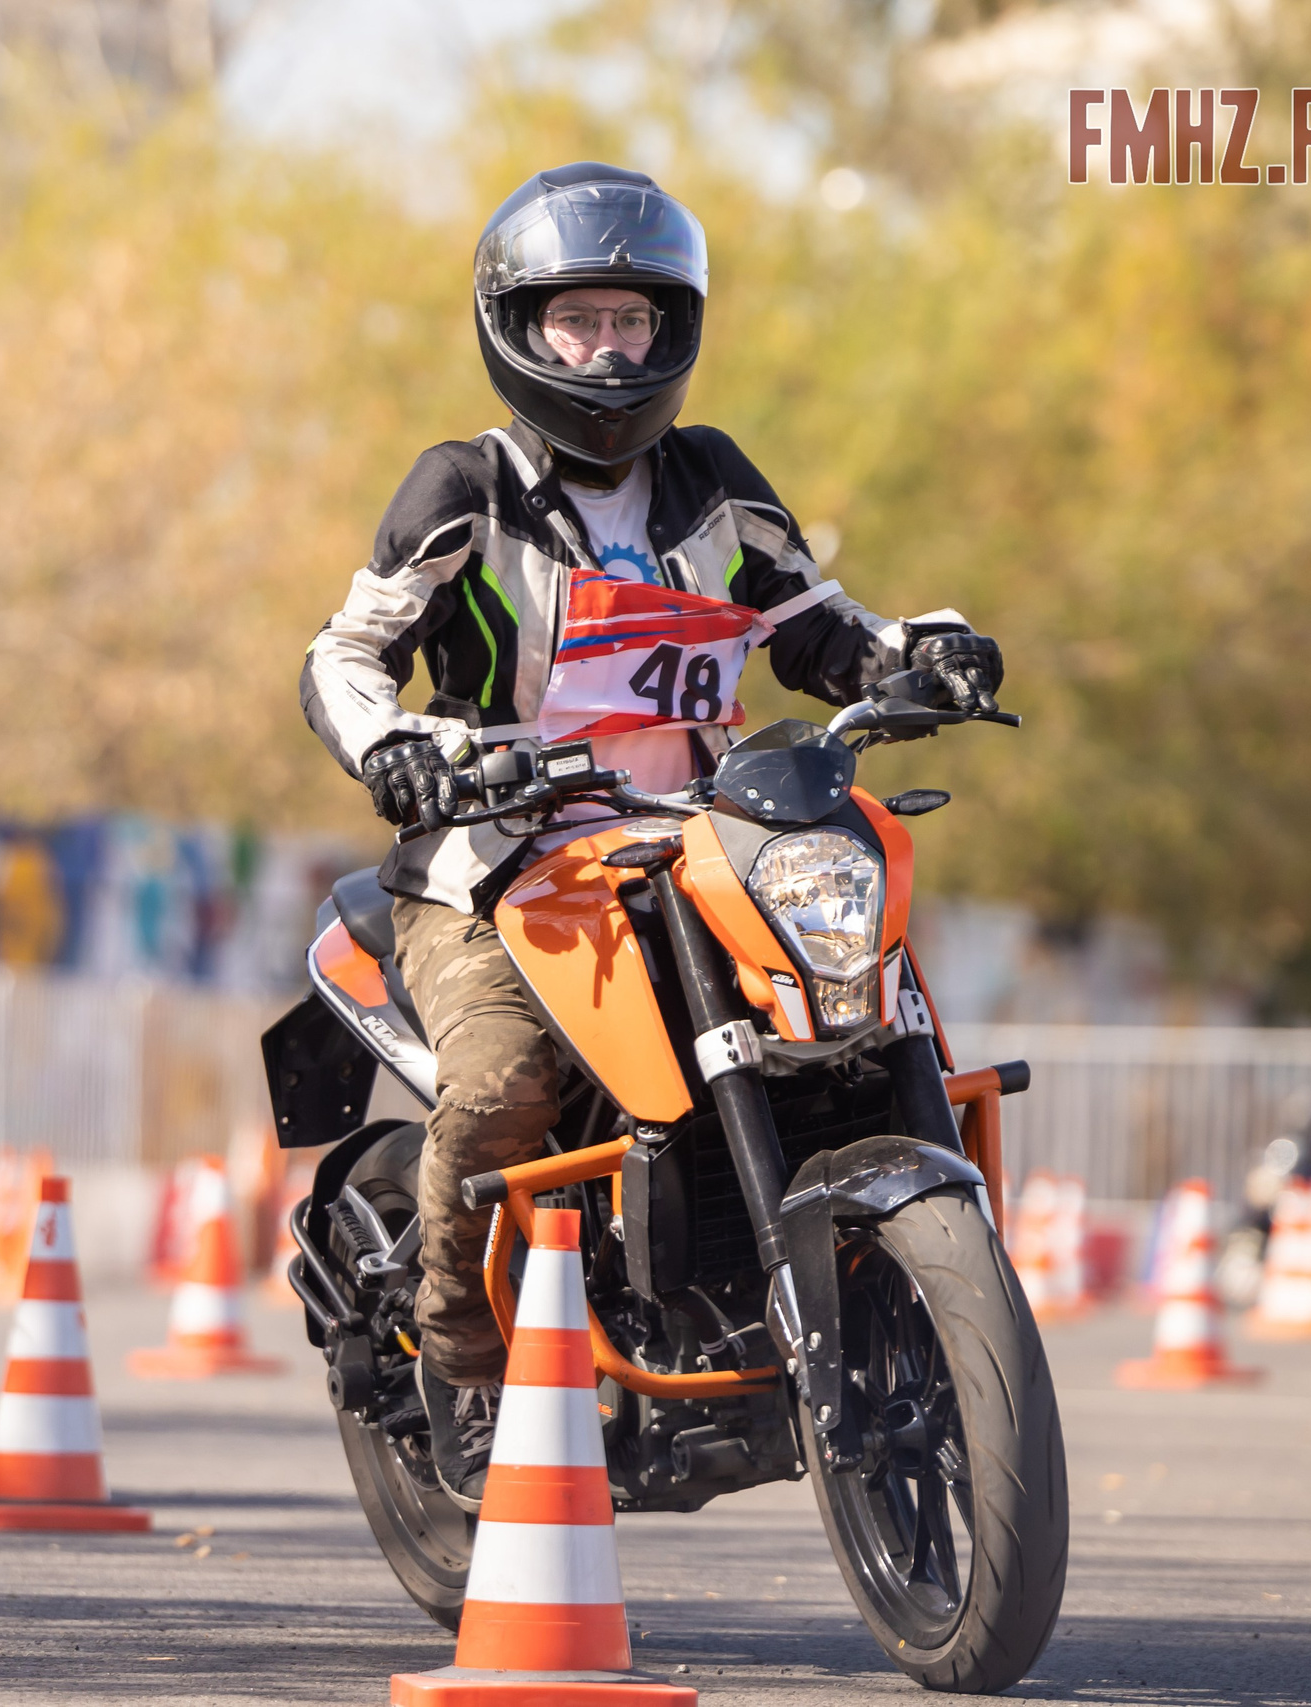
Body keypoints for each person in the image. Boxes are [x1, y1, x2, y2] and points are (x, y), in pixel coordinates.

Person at [298, 163, 1005, 1509]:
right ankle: (462, 1357)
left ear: (672, 329)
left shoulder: (715, 479)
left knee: (858, 1009)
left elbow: (816, 630)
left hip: (703, 837)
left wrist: (921, 655)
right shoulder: (466, 485)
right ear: (520, 327)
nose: (609, 350)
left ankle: (873, 1297)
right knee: (503, 1084)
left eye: (632, 320)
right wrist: (396, 746)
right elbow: (346, 652)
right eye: (580, 322)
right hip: (500, 859)